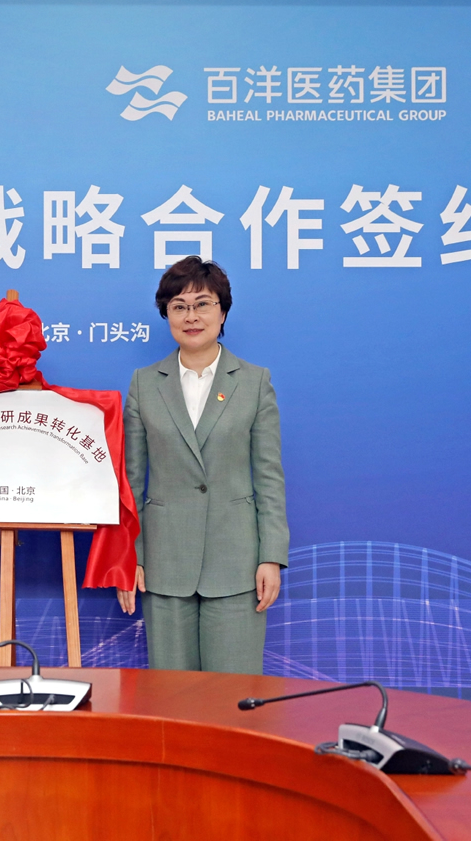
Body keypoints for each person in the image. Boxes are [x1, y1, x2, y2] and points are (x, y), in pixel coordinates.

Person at [120, 256, 289, 674]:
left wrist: (271, 556)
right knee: (171, 697)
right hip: (164, 562)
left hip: (237, 562)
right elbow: (131, 481)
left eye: (202, 304)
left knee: (234, 696)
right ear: (167, 315)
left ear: (222, 312)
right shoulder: (144, 383)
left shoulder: (254, 382)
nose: (191, 316)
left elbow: (269, 477)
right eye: (178, 306)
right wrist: (129, 556)